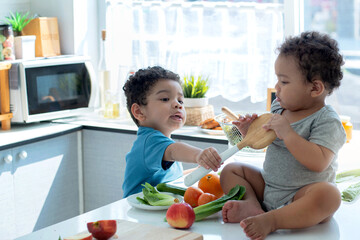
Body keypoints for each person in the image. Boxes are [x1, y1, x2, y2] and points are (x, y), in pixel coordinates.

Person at [220, 31, 346, 240]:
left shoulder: (326, 120)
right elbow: (265, 141)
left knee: (329, 196)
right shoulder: (279, 106)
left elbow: (319, 162)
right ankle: (252, 206)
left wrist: (288, 133)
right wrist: (249, 132)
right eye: (277, 80)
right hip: (269, 187)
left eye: (284, 82)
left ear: (315, 88)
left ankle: (274, 220)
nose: (277, 88)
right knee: (232, 170)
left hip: (302, 197)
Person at [122, 66, 222, 198]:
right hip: (138, 213)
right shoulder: (150, 141)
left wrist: (199, 171)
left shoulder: (162, 145)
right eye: (165, 99)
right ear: (139, 111)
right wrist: (199, 155)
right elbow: (174, 151)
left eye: (180, 100)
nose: (178, 105)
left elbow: (173, 178)